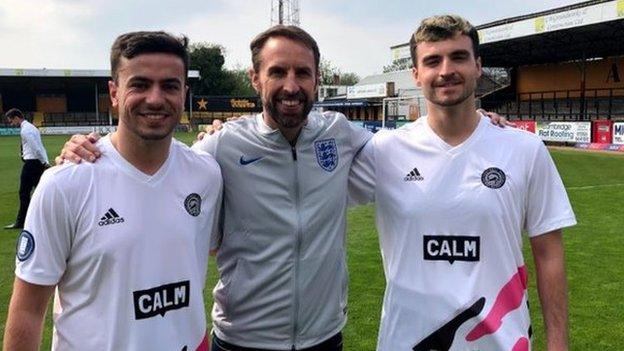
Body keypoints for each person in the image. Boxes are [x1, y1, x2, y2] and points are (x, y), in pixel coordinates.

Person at [56, 25, 507, 351]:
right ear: (256, 79)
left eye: (303, 73)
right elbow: (161, 170)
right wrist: (86, 148)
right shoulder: (220, 148)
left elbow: (420, 148)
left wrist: (483, 122)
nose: (291, 86)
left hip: (323, 338)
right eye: (277, 73)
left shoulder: (341, 134)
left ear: (316, 79)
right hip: (241, 341)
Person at [349, 15, 576, 351]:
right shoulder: (384, 151)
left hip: (502, 343)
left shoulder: (525, 150)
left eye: (458, 57)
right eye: (432, 60)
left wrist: (558, 346)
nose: (445, 70)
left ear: (477, 66)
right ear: (415, 74)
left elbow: (549, 255)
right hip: (407, 342)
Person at [3, 31, 222, 351]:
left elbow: (206, 250)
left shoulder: (206, 174)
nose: (156, 98)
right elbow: (27, 310)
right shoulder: (65, 184)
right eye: (140, 84)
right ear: (114, 92)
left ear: (184, 93)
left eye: (170, 86)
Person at [4, 108, 49, 230]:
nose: (12, 124)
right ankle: (42, 220)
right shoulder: (32, 127)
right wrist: (45, 162)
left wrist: (44, 162)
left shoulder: (25, 130)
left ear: (17, 117)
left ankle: (21, 222)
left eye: (11, 121)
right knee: (41, 192)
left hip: (32, 164)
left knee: (24, 193)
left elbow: (36, 148)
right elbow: (40, 146)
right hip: (37, 163)